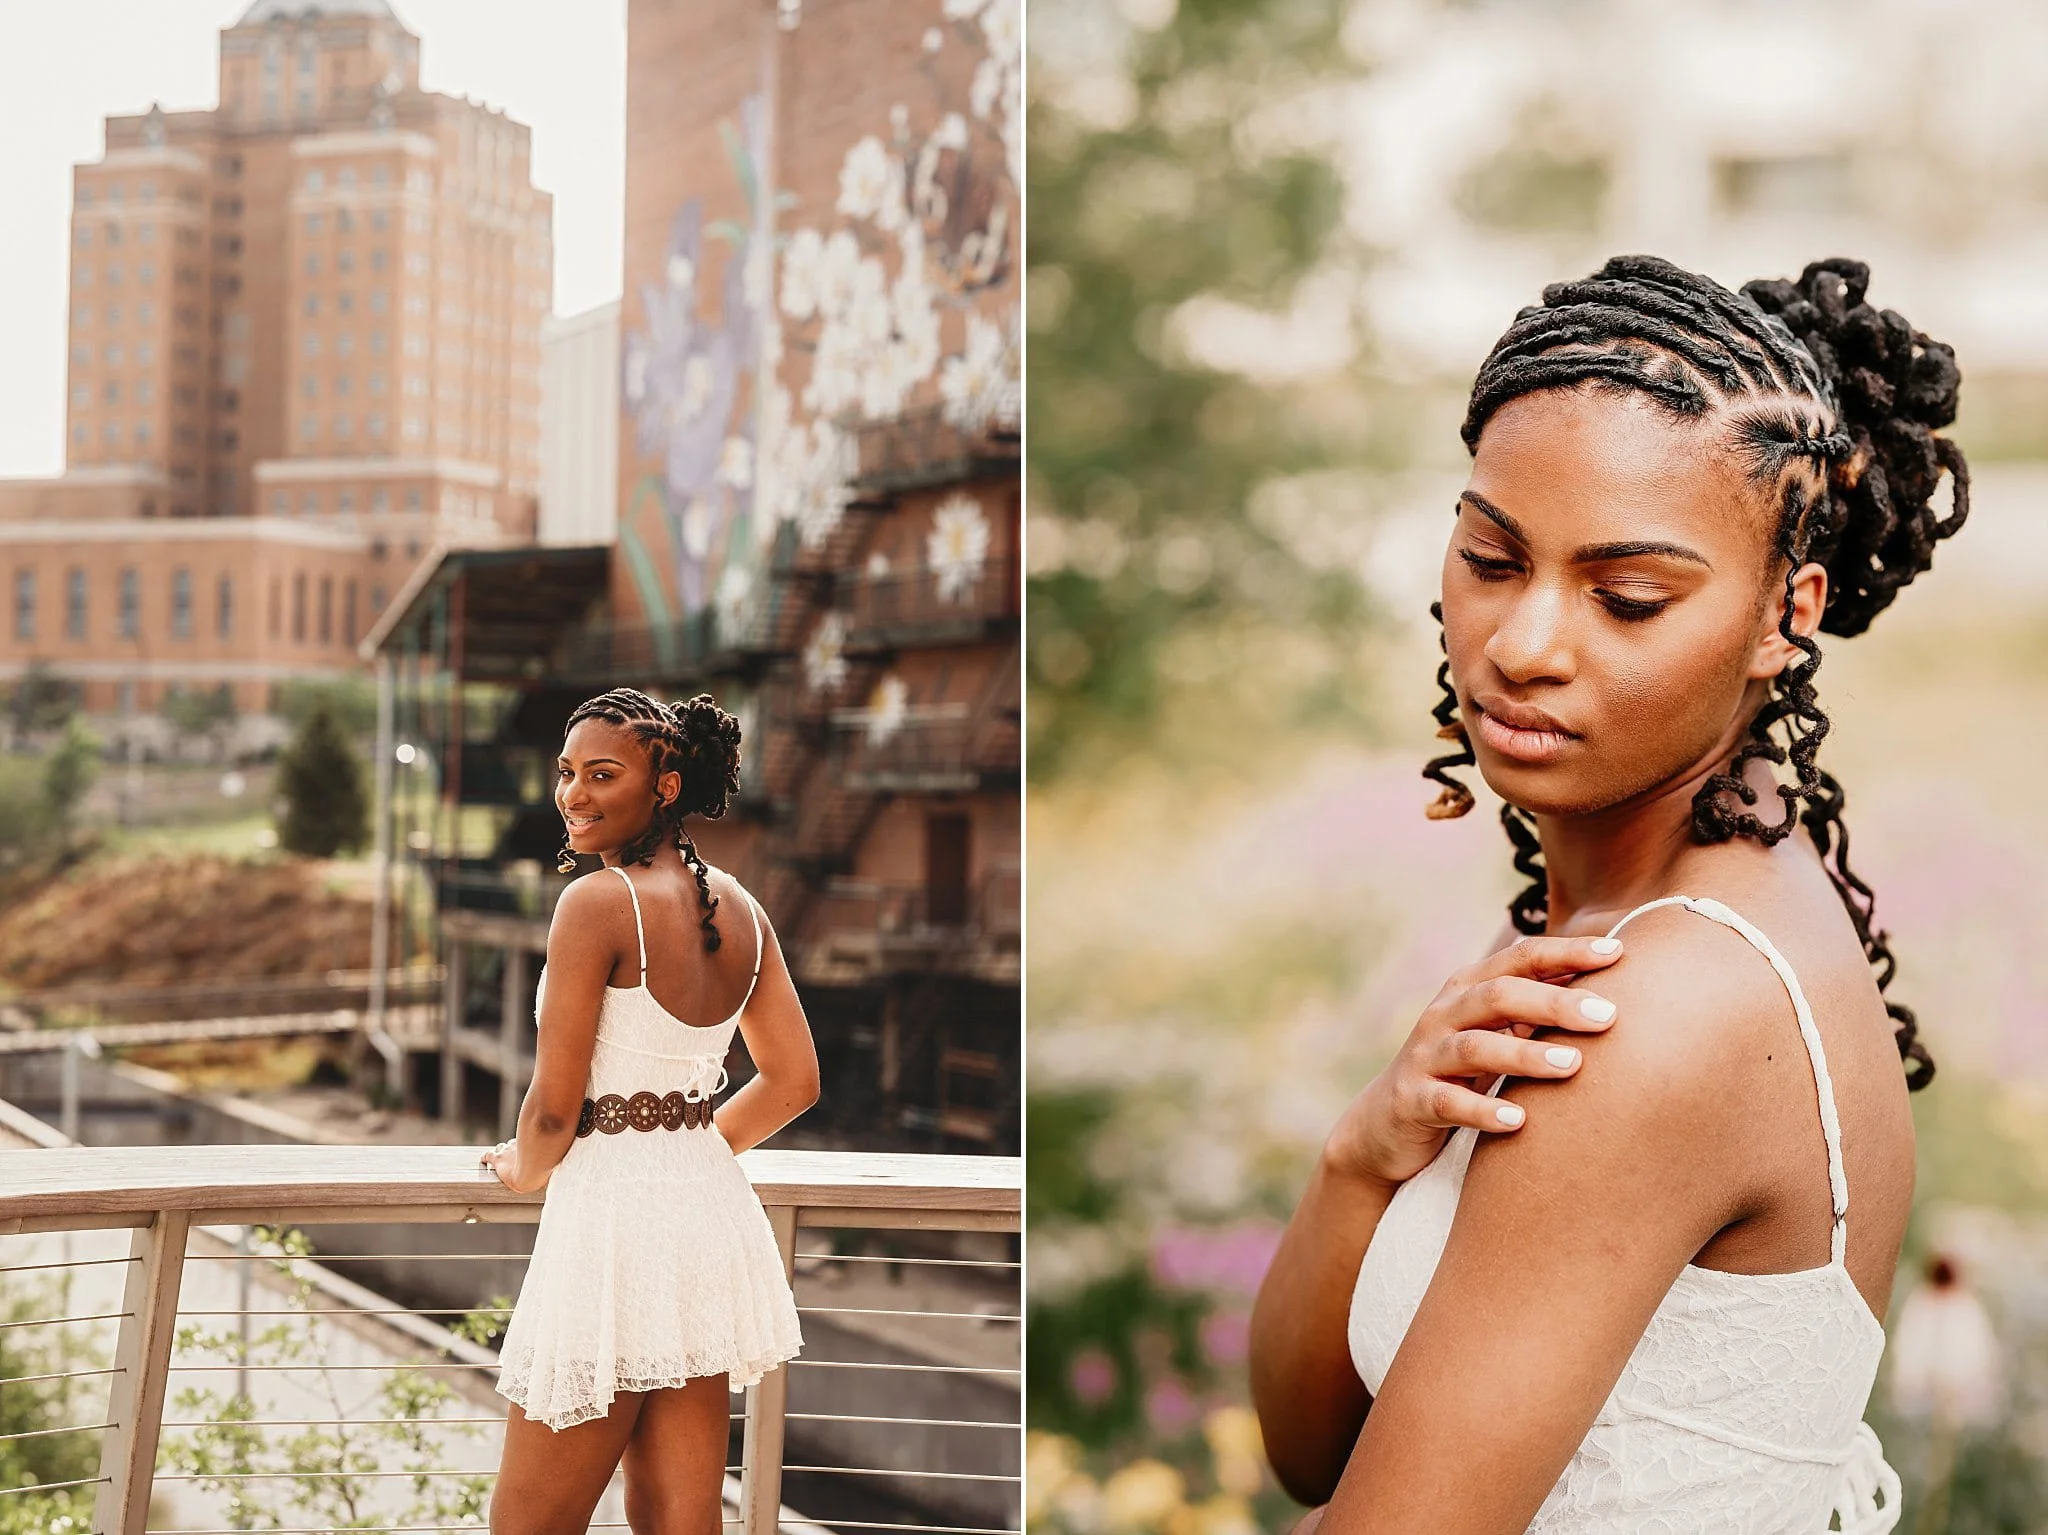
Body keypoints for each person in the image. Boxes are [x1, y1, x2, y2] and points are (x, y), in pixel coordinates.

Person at [1249, 256, 1966, 1534]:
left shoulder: (1659, 1004)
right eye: (1489, 556)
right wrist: (1360, 1153)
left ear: (1779, 616)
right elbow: (1311, 1448)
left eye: (1625, 596)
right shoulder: (1593, 932)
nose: (1523, 643)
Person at [480, 687, 819, 1535]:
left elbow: (554, 1111)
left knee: (526, 1525)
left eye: (602, 773)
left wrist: (522, 1165)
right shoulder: (742, 907)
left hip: (611, 1227)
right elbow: (794, 1081)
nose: (574, 795)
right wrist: (689, 1148)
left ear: (665, 785)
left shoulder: (595, 904)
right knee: (679, 1520)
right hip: (701, 1215)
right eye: (565, 774)